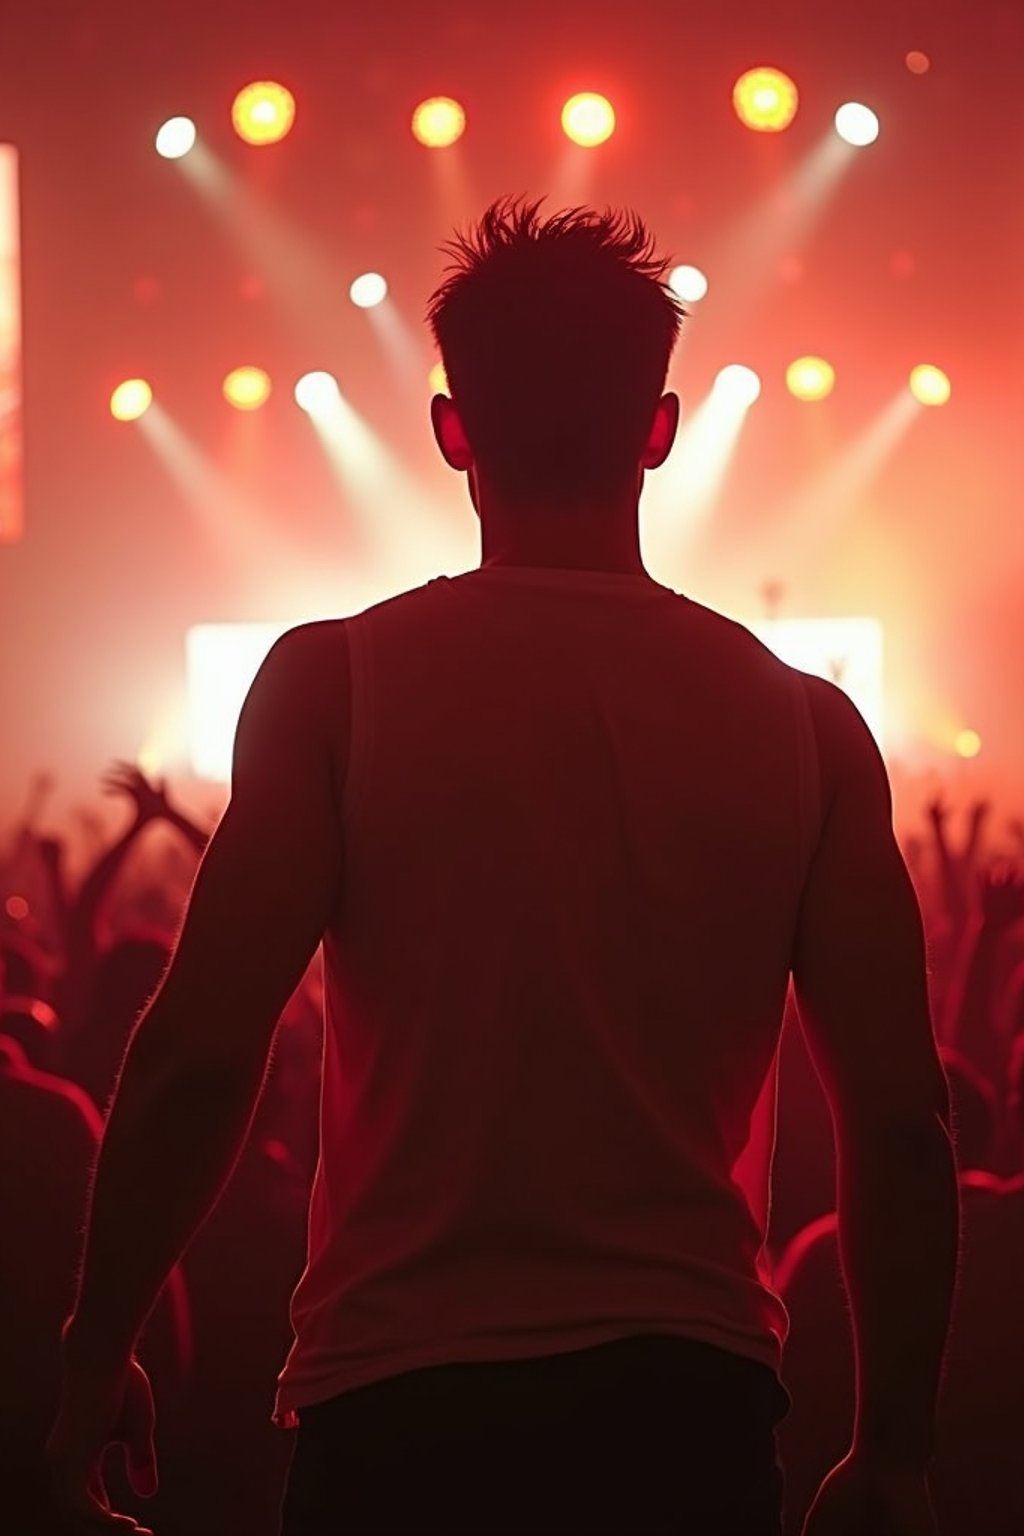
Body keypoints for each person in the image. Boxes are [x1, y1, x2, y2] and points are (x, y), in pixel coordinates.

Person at [43, 197, 959, 1536]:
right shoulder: (808, 727)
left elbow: (198, 1053)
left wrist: (96, 1345)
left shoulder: (331, 688)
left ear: (450, 432)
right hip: (687, 1404)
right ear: (659, 431)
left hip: (400, 1406)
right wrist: (897, 1450)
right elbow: (899, 1123)